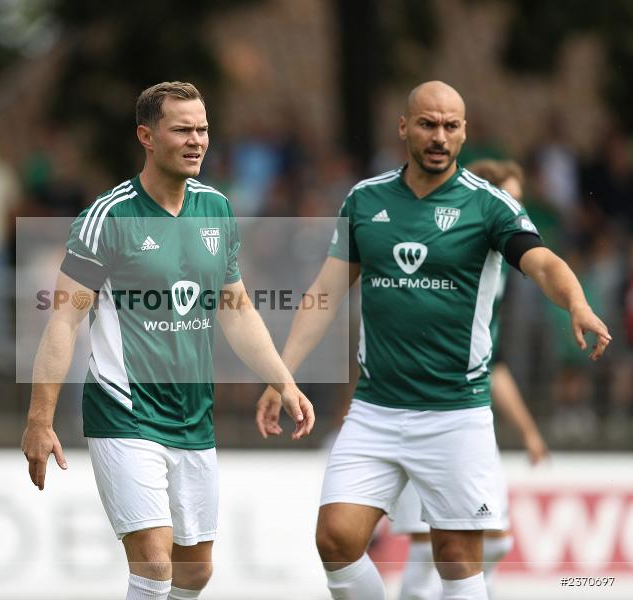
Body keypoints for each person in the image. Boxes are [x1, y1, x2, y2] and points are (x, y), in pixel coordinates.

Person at [255, 81, 611, 600]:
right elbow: (325, 294)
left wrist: (576, 303)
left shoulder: (487, 206)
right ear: (404, 128)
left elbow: (544, 262)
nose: (439, 135)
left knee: (456, 557)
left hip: (454, 413)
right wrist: (280, 374)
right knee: (335, 540)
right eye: (427, 124)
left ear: (464, 132)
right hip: (375, 408)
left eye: (450, 125)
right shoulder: (366, 199)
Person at [21, 81, 315, 600]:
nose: (196, 140)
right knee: (155, 564)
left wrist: (283, 381)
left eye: (202, 129)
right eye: (182, 129)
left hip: (192, 414)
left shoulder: (217, 211)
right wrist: (39, 420)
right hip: (124, 412)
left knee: (194, 570)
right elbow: (63, 323)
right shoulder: (108, 217)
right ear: (147, 136)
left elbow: (237, 309)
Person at [390, 159, 549, 600]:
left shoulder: (493, 279)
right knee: (431, 547)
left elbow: (493, 364)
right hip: (417, 410)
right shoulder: (450, 266)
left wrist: (529, 431)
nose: (517, 212)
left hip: (465, 417)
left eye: (520, 201)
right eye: (510, 200)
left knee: (492, 541)